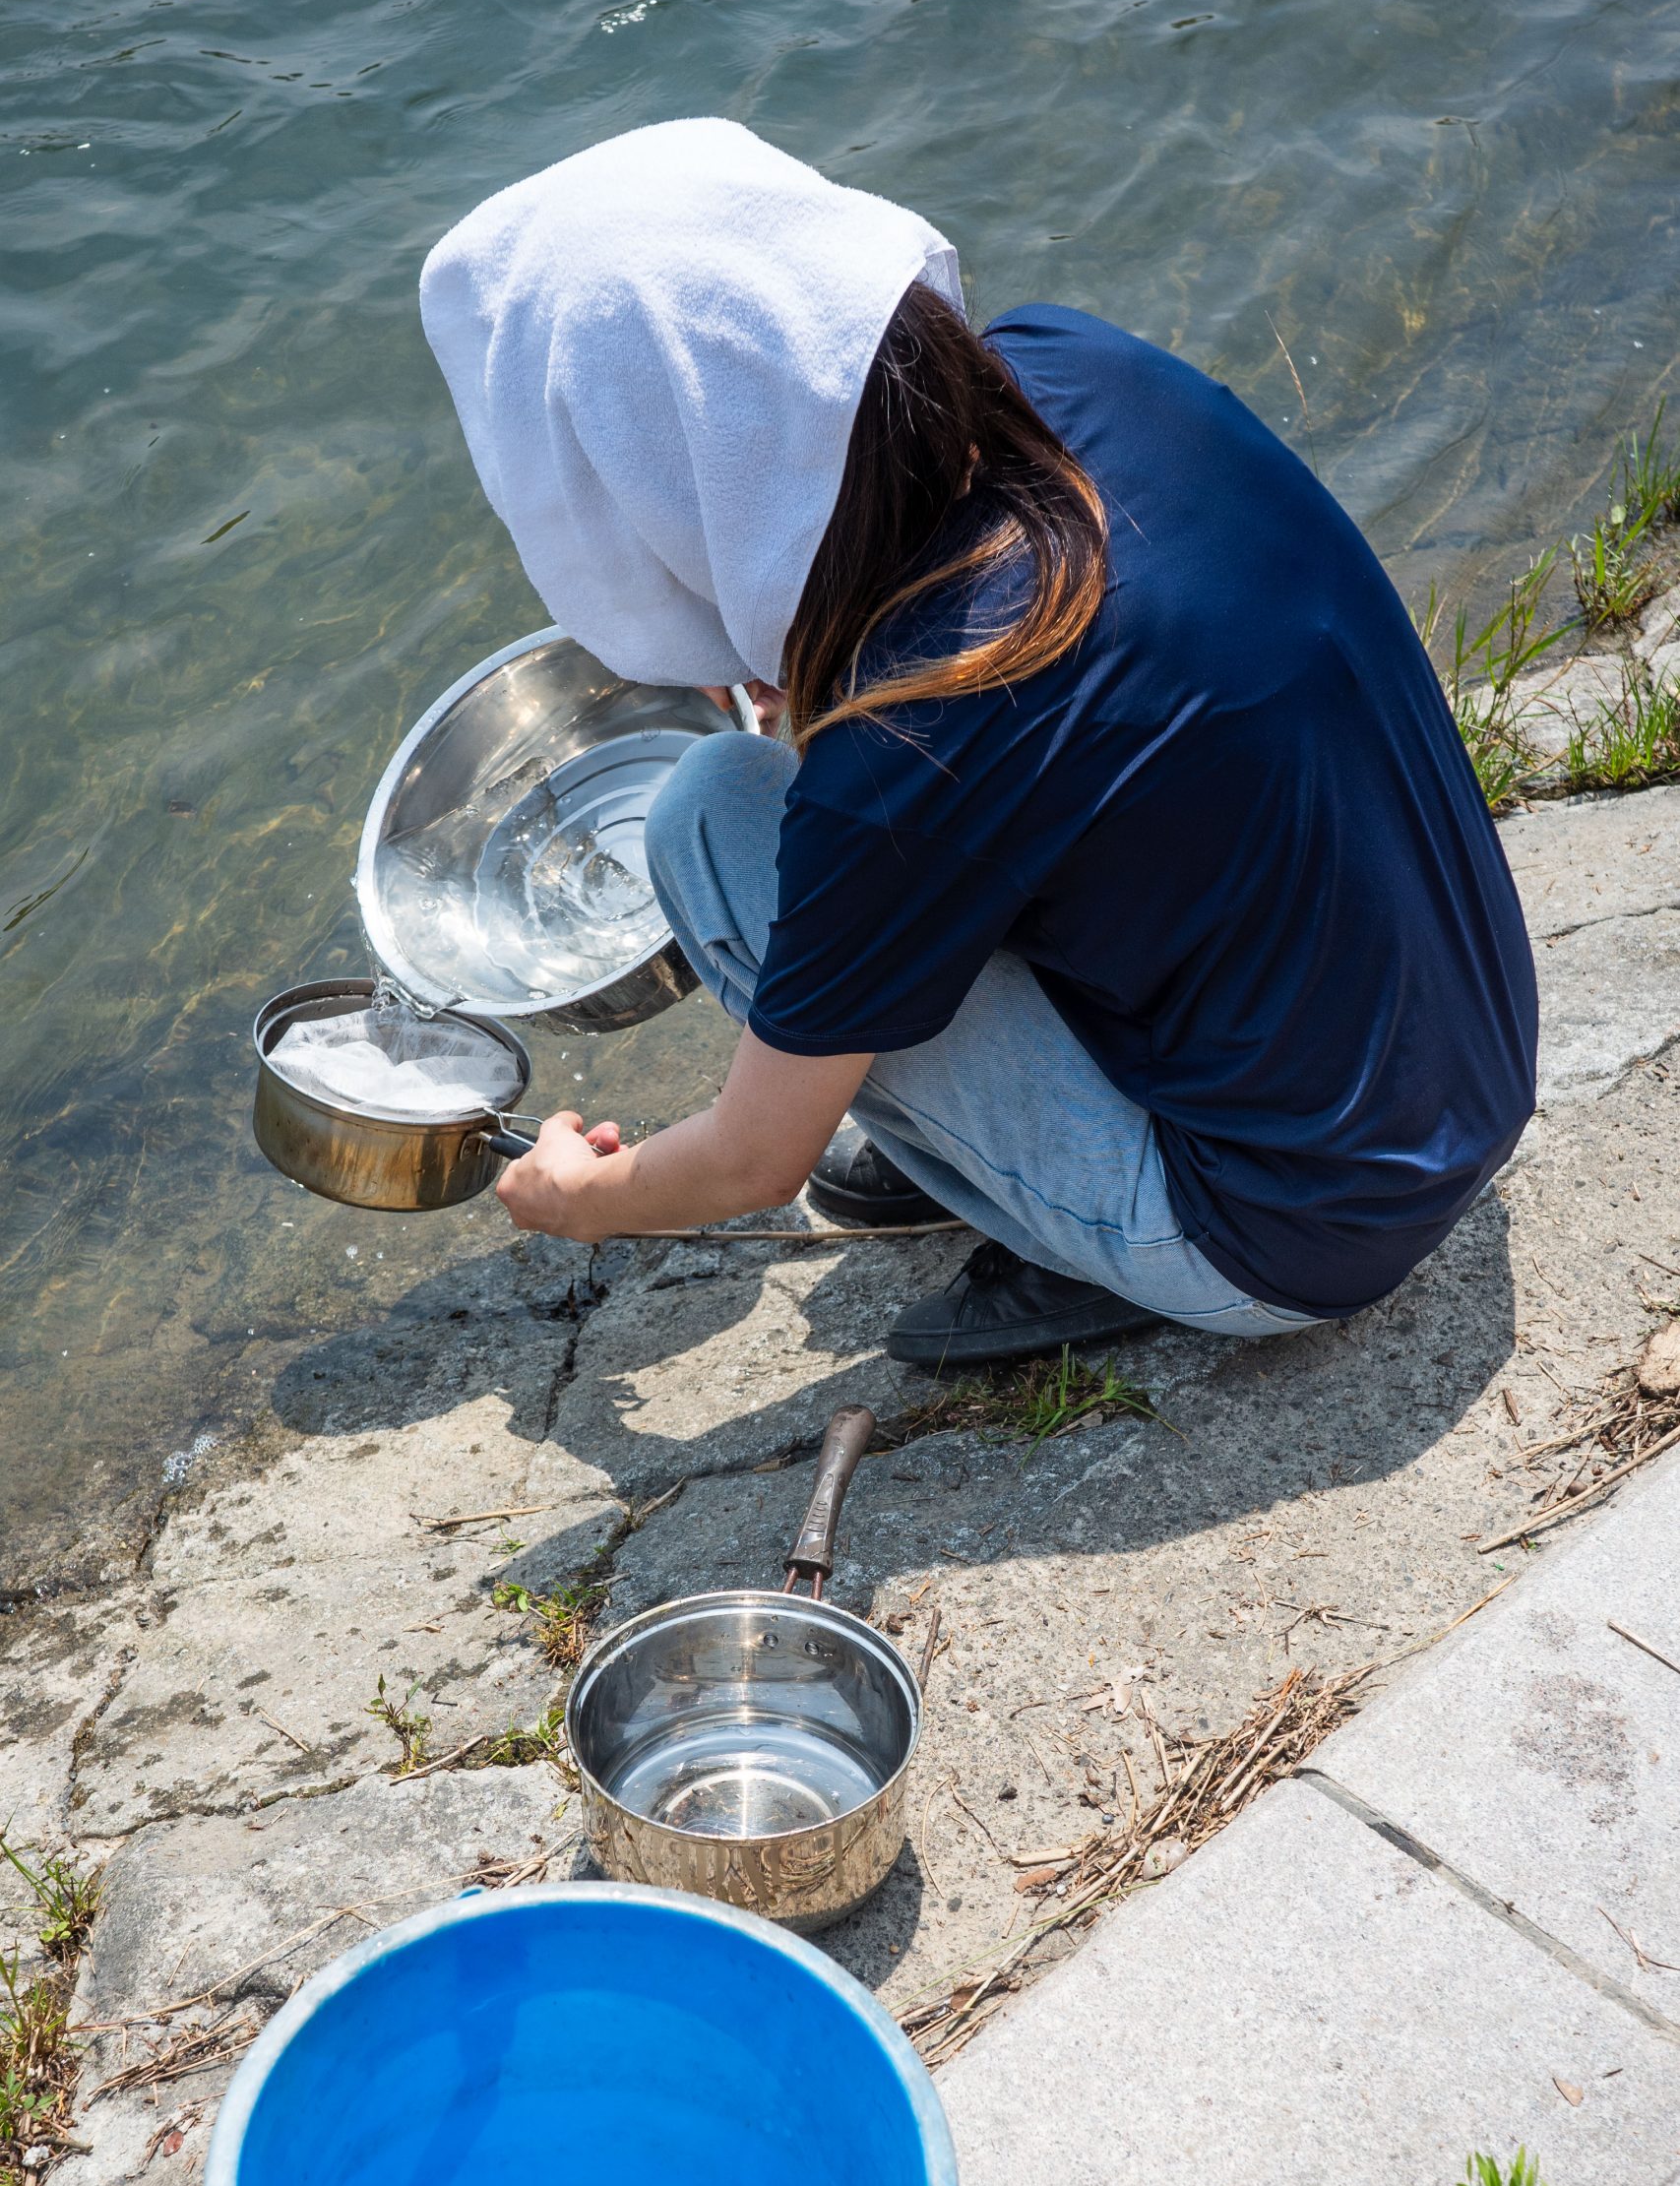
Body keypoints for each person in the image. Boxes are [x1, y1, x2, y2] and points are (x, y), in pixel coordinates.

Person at [420, 118, 1537, 1369]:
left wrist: (581, 1200)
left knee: (710, 818)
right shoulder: (1073, 365)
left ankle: (1103, 1237)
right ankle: (993, 1135)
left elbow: (752, 1160)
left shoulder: (915, 733)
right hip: (1469, 1064)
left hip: (1297, 1230)